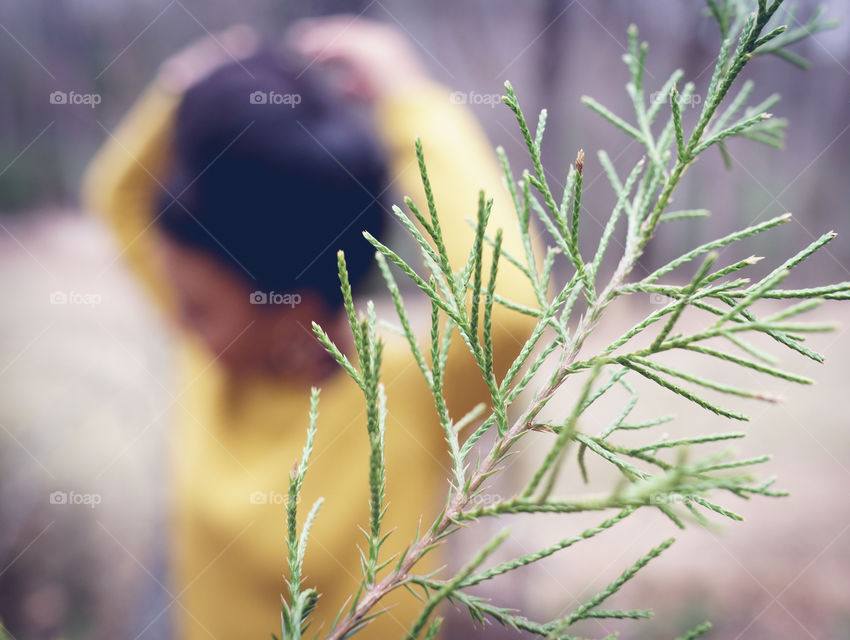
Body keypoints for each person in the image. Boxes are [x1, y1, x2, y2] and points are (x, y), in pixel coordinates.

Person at [83, 17, 539, 639]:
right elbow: (117, 198)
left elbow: (510, 309)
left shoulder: (405, 393)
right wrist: (181, 91)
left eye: (198, 307)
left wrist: (408, 98)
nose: (176, 321)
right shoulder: (215, 352)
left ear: (294, 308)